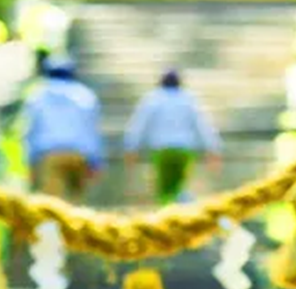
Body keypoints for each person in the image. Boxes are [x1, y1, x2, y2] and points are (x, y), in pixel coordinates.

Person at [122, 70, 223, 205]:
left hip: (162, 150)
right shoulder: (188, 99)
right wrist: (213, 149)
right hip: (184, 150)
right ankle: (180, 211)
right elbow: (203, 125)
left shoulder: (153, 98)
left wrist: (131, 148)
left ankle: (169, 214)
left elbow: (138, 125)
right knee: (179, 185)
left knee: (164, 188)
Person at [23, 54, 105, 199]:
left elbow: (31, 131)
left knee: (52, 205)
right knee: (76, 205)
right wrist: (96, 162)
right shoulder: (85, 95)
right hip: (80, 155)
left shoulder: (37, 96)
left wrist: (29, 162)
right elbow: (92, 131)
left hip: (49, 155)